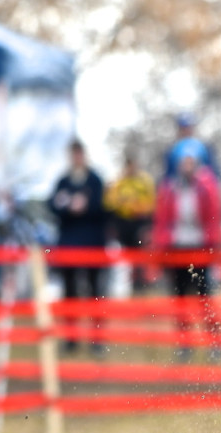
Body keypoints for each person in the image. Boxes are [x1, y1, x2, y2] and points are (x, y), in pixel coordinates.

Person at [152, 138, 221, 361]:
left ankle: (215, 343)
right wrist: (161, 245)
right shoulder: (170, 188)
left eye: (191, 161)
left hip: (200, 249)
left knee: (205, 297)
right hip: (176, 249)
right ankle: (184, 344)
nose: (187, 165)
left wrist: (214, 245)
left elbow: (214, 215)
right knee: (180, 298)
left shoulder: (207, 185)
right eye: (184, 161)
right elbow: (162, 219)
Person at [47, 140, 107, 354]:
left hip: (92, 245)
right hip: (68, 246)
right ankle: (71, 338)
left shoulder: (95, 180)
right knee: (70, 292)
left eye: (79, 154)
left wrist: (85, 206)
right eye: (73, 154)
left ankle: (97, 339)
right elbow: (51, 205)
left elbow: (103, 208)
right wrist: (67, 205)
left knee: (95, 292)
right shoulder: (63, 181)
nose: (76, 158)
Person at [103, 150, 157, 293]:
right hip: (123, 224)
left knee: (141, 257)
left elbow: (152, 203)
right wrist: (123, 204)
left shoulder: (145, 181)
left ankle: (142, 286)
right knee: (126, 258)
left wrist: (138, 206)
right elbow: (109, 202)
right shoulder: (119, 181)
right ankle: (130, 287)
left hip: (140, 222)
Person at [162, 112, 218, 180]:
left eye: (188, 128)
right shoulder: (172, 151)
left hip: (201, 186)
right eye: (183, 129)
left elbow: (214, 172)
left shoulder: (204, 148)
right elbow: (168, 176)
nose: (186, 131)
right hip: (179, 186)